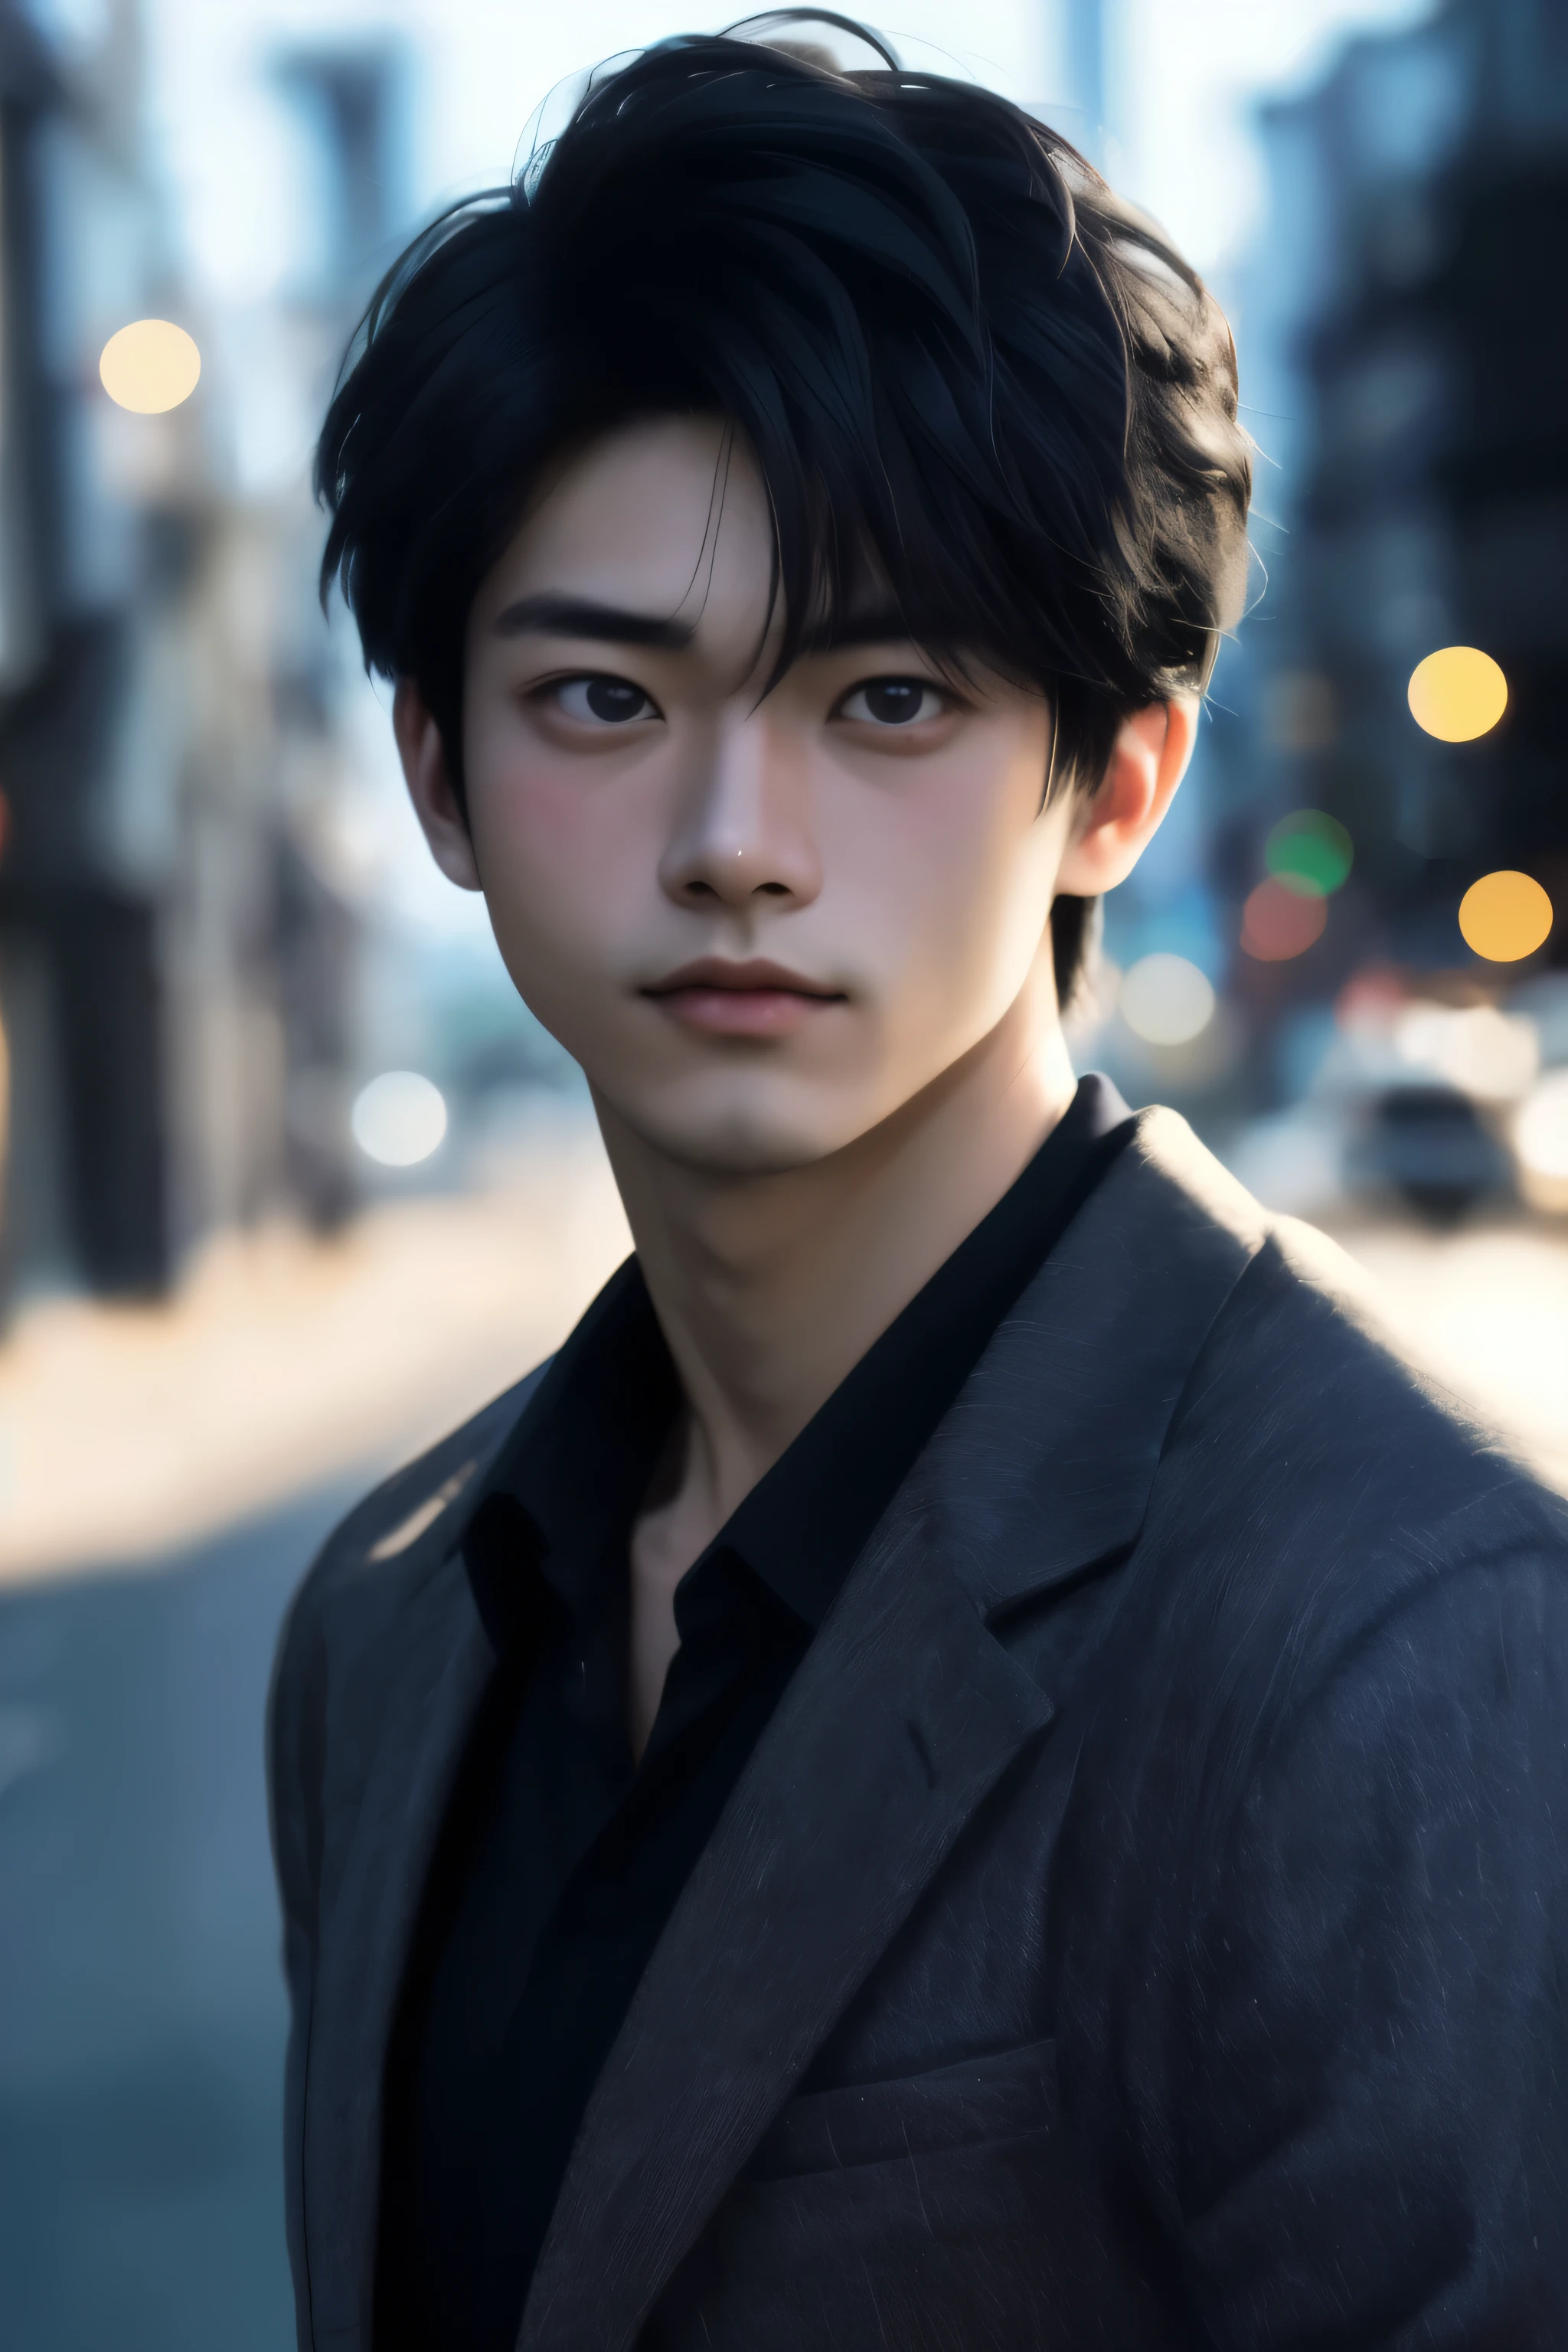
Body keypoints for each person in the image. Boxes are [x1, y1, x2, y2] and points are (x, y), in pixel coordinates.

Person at [267, 20, 1568, 2350]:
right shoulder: (386, 1629)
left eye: (886, 701)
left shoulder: (1417, 1640)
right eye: (603, 698)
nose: (734, 846)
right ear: (438, 774)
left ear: (1116, 785)